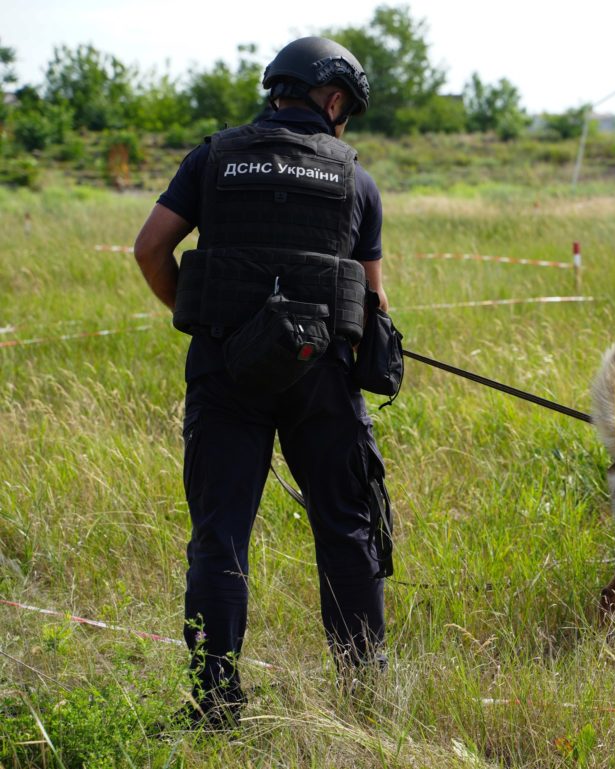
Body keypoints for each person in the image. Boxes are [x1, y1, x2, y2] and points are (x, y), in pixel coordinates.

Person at [133, 36, 392, 729]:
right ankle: (362, 702)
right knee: (346, 528)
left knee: (219, 536)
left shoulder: (212, 158)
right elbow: (373, 306)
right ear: (333, 100)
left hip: (225, 370)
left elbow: (150, 247)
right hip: (326, 381)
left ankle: (214, 705)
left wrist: (202, 316)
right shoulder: (355, 180)